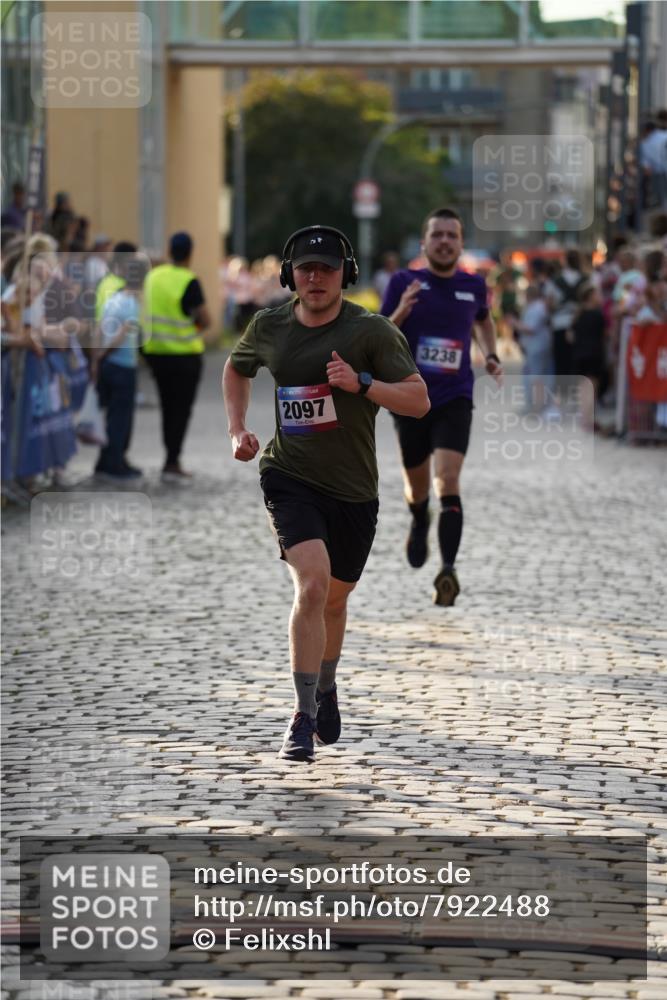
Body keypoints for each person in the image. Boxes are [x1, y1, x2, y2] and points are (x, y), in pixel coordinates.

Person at [222, 225, 429, 763]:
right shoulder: (269, 325)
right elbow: (236, 369)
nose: (315, 278)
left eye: (327, 269)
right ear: (290, 274)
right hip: (289, 475)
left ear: (346, 274)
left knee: (335, 600)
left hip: (354, 490)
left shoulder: (372, 332)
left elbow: (418, 401)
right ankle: (302, 714)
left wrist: (361, 384)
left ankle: (326, 684)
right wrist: (237, 428)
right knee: (312, 586)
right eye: (306, 269)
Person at [380, 207, 503, 607]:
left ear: (461, 243)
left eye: (452, 235)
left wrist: (491, 354)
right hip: (410, 397)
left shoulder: (474, 285)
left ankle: (447, 570)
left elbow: (483, 321)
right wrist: (402, 309)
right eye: (438, 235)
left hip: (455, 397)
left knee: (447, 480)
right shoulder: (404, 281)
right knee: (417, 488)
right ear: (424, 243)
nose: (445, 241)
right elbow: (378, 336)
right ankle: (419, 518)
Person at [143, 231, 211, 482]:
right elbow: (206, 320)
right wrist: (192, 327)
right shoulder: (188, 280)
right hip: (185, 357)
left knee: (167, 406)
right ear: (190, 253)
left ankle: (169, 457)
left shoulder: (152, 277)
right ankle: (172, 460)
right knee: (180, 410)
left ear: (169, 250)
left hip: (156, 354)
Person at [95, 254, 149, 481]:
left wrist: (97, 359)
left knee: (111, 417)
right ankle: (114, 463)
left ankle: (106, 461)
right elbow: (119, 336)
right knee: (120, 419)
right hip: (122, 366)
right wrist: (105, 353)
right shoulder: (132, 304)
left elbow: (99, 328)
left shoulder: (113, 298)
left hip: (109, 365)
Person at [515, 285, 553, 412]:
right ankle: (538, 405)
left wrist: (515, 324)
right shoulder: (538, 307)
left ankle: (537, 406)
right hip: (537, 346)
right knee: (538, 375)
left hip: (536, 347)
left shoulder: (536, 308)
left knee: (536, 376)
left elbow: (531, 328)